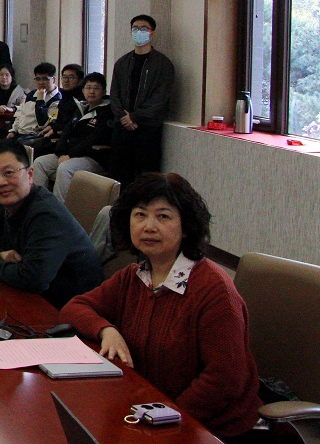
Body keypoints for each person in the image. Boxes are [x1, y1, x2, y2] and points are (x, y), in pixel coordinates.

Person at [60, 174, 261, 439]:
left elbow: (224, 380)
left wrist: (163, 418)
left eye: (163, 217)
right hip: (146, 409)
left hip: (207, 429)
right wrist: (106, 330)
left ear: (186, 227)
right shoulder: (134, 276)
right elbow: (75, 308)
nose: (149, 226)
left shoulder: (213, 290)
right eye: (140, 215)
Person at [0, 140, 103, 308]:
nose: (1, 183)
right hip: (34, 298)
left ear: (30, 175)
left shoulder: (47, 214)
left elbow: (32, 280)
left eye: (9, 173)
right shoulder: (3, 204)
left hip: (70, 309)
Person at [110, 14, 175, 185]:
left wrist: (135, 117)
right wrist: (123, 117)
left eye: (144, 28)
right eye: (135, 29)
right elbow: (114, 94)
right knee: (119, 175)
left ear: (152, 34)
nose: (139, 32)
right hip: (122, 127)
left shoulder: (163, 64)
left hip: (148, 128)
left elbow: (160, 97)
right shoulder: (122, 63)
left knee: (147, 177)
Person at [33, 72, 113, 201]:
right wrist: (61, 153)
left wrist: (70, 156)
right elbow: (66, 132)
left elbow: (93, 139)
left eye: (96, 88)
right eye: (88, 87)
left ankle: (59, 209)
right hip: (69, 154)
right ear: (83, 90)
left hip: (92, 157)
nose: (92, 91)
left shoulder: (107, 112)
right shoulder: (81, 108)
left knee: (65, 168)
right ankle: (39, 204)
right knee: (40, 162)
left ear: (103, 91)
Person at [1, 62, 61, 144]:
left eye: (45, 79)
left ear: (53, 80)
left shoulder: (57, 100)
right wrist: (13, 131)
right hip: (18, 132)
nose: (41, 82)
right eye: (38, 79)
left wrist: (40, 100)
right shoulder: (32, 94)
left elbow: (43, 123)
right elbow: (20, 113)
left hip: (33, 135)